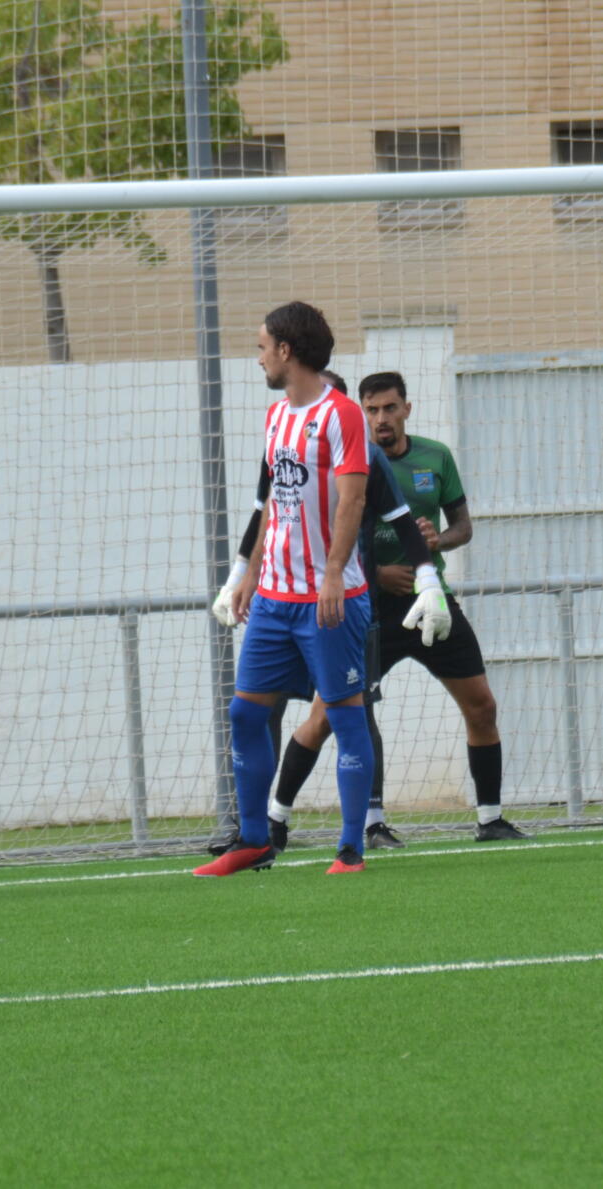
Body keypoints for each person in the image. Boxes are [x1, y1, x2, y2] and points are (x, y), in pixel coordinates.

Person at [196, 303, 443, 877]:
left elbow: (355, 499)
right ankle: (255, 840)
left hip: (330, 599)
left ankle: (350, 849)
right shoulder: (276, 417)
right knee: (245, 713)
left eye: (262, 347)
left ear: (287, 350)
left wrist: (334, 573)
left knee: (345, 716)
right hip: (275, 600)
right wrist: (247, 573)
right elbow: (271, 506)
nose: (257, 357)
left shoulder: (342, 417)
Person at [260, 372, 525, 846]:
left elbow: (462, 526)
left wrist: (436, 541)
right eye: (372, 409)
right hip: (369, 610)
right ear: (362, 412)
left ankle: (490, 818)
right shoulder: (351, 460)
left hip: (430, 605)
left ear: (406, 409)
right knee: (329, 717)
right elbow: (330, 534)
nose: (381, 418)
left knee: (482, 705)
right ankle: (279, 820)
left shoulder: (435, 457)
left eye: (389, 408)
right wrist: (377, 573)